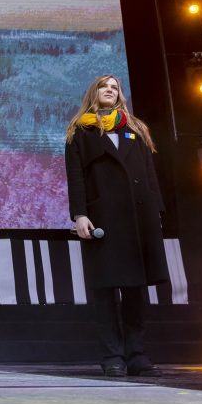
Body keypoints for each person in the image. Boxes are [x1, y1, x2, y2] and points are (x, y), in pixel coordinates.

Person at [65, 74, 168, 377]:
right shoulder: (80, 131)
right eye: (104, 87)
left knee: (135, 289)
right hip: (103, 220)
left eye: (115, 88)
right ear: (93, 93)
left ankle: (137, 355)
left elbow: (149, 174)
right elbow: (76, 177)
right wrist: (80, 214)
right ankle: (112, 355)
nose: (110, 90)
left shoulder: (135, 129)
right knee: (105, 291)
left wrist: (156, 211)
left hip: (138, 217)